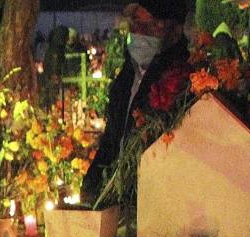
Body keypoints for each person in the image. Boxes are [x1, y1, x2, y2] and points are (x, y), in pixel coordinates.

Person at [81, 0, 190, 203]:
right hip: (121, 203)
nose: (138, 32)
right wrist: (92, 183)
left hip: (155, 201)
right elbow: (113, 139)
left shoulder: (181, 82)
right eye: (135, 24)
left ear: (173, 30)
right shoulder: (126, 77)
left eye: (147, 26)